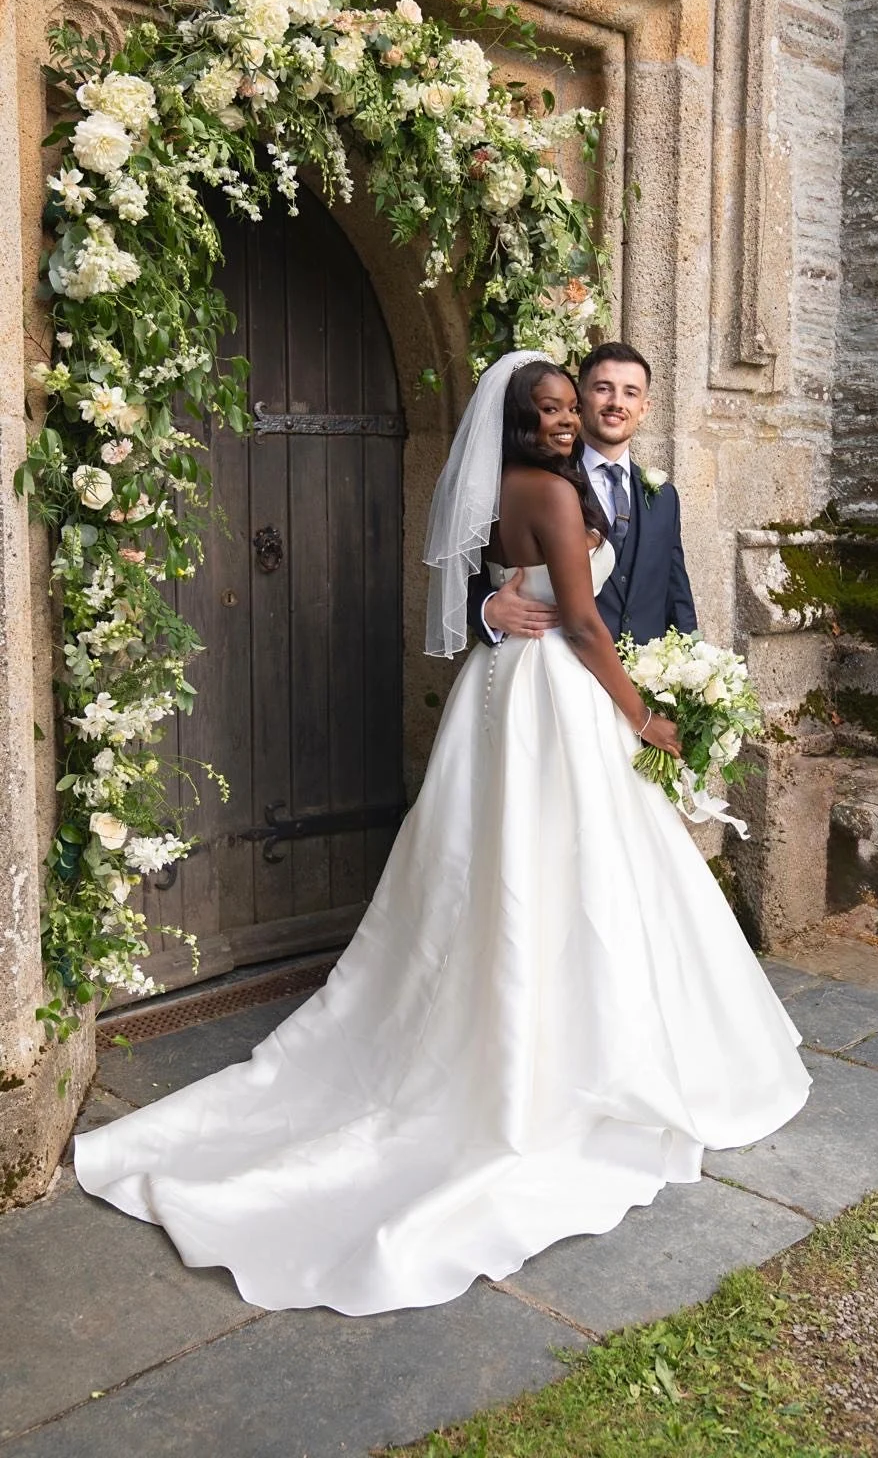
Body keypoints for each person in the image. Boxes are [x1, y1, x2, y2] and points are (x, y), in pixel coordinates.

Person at [74, 349, 810, 1318]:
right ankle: (569, 1054)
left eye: (567, 405)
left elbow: (534, 592)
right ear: (515, 419)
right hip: (558, 692)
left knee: (521, 862)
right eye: (548, 405)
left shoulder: (511, 488)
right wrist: (645, 718)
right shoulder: (545, 490)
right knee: (560, 862)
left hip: (510, 692)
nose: (563, 417)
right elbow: (582, 627)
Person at [467, 341, 696, 645]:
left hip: (650, 679)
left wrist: (694, 672)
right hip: (564, 670)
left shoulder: (665, 497)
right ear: (581, 398)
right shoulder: (542, 483)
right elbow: (473, 564)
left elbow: (676, 594)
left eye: (630, 392)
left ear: (644, 409)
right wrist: (487, 609)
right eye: (603, 388)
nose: (617, 402)